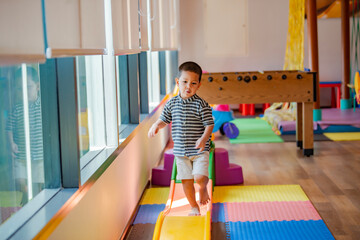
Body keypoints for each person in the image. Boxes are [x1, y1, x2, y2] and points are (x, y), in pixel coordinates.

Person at [148, 61, 214, 216]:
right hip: (180, 151)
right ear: (178, 82)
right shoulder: (171, 103)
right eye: (184, 82)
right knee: (186, 180)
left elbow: (209, 125)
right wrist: (156, 125)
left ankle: (203, 188)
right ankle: (193, 207)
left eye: (193, 83)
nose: (188, 86)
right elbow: (164, 119)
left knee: (199, 176)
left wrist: (204, 139)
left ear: (198, 85)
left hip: (199, 149)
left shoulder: (201, 104)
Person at [6, 66, 44, 204]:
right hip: (22, 154)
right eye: (19, 89)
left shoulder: (43, 106)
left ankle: (38, 198)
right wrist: (12, 143)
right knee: (20, 178)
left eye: (28, 87)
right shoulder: (17, 108)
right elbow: (9, 127)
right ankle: (26, 192)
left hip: (40, 155)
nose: (24, 92)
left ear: (37, 86)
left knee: (39, 180)